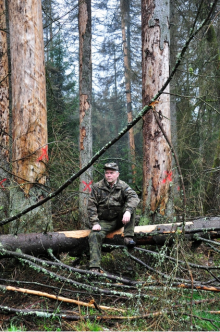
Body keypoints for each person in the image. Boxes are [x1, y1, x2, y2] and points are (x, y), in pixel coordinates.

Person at [87, 162, 140, 272]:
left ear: (117, 174)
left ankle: (128, 237)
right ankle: (94, 267)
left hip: (119, 219)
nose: (109, 175)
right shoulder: (97, 187)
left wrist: (128, 212)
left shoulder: (123, 186)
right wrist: (95, 223)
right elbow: (91, 206)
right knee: (94, 235)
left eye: (111, 173)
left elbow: (134, 197)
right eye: (107, 173)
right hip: (104, 221)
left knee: (130, 208)